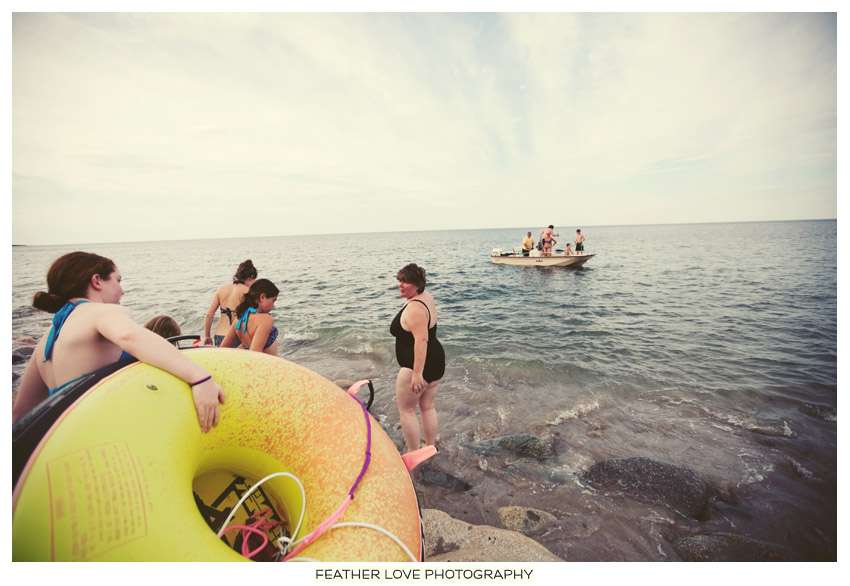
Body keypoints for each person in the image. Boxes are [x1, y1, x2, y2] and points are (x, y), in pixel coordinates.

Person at [12, 252, 225, 432]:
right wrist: (200, 378)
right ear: (97, 281)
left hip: (70, 441)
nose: (122, 290)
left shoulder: (46, 340)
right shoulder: (100, 312)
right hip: (109, 434)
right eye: (118, 280)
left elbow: (20, 414)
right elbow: (129, 336)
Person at [390, 263, 445, 452]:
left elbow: (421, 340)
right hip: (436, 361)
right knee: (427, 406)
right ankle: (430, 448)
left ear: (417, 284)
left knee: (406, 410)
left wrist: (417, 373)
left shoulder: (415, 309)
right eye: (399, 280)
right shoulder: (426, 297)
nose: (400, 285)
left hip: (417, 365)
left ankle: (413, 454)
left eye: (405, 282)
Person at [203, 260, 257, 347]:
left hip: (219, 336)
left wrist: (207, 336)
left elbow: (209, 315)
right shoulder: (248, 292)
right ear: (250, 277)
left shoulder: (221, 289)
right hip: (237, 336)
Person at [220, 279, 280, 355]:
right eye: (273, 300)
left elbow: (223, 348)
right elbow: (255, 353)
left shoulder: (239, 320)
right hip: (267, 362)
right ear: (262, 297)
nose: (273, 306)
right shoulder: (266, 319)